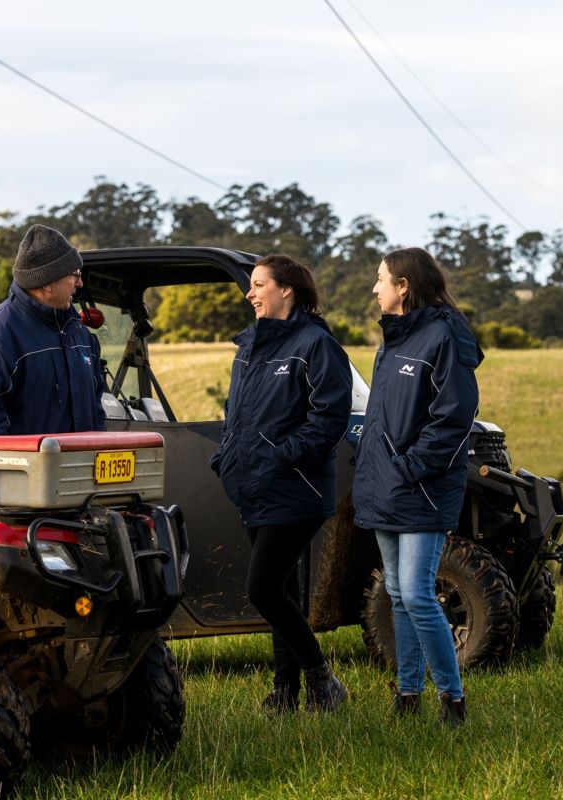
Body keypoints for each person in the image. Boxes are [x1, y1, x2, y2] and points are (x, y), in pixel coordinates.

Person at [208, 254, 353, 714]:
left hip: (296, 489)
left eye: (258, 284)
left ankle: (321, 678)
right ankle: (285, 691)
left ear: (286, 289)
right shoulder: (249, 346)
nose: (250, 293)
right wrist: (227, 456)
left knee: (263, 589)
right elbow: (238, 413)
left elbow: (329, 418)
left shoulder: (316, 345)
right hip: (254, 484)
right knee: (282, 590)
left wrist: (280, 457)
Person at [352, 247, 483, 726]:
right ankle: (408, 695)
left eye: (381, 279)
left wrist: (409, 468)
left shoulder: (442, 338)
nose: (375, 288)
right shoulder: (390, 342)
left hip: (422, 487)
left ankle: (453, 700)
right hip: (387, 487)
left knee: (419, 593)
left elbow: (454, 418)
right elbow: (384, 417)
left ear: (404, 285)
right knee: (398, 593)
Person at [0, 224, 106, 436]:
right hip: (28, 469)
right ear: (48, 283)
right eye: (75, 274)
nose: (80, 283)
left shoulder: (81, 335)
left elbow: (96, 405)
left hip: (81, 467)